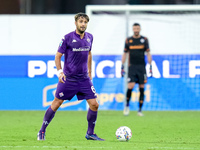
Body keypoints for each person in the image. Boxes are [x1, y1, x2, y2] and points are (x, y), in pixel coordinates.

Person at [37, 13, 104, 141]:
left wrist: (90, 72)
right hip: (69, 79)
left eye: (85, 22)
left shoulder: (90, 37)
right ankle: (42, 131)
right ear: (76, 23)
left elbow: (89, 53)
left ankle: (90, 133)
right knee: (56, 103)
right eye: (81, 22)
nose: (83, 24)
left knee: (94, 104)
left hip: (84, 79)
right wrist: (60, 72)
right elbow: (58, 56)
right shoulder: (67, 38)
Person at [121, 23, 152, 116]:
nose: (136, 30)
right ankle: (126, 106)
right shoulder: (128, 40)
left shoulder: (145, 40)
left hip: (142, 67)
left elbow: (148, 53)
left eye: (137, 28)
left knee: (142, 87)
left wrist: (150, 66)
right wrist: (122, 66)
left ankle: (140, 110)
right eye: (134, 28)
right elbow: (125, 53)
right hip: (132, 67)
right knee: (130, 86)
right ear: (132, 29)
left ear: (140, 29)